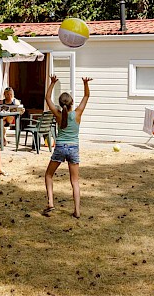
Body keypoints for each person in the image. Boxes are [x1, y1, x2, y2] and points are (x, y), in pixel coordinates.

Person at [42, 74, 92, 218]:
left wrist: (52, 83)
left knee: (48, 175)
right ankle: (77, 211)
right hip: (73, 148)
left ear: (60, 104)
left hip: (60, 147)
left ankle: (50, 203)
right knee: (74, 181)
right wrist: (85, 84)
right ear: (72, 103)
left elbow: (47, 98)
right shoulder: (77, 113)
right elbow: (86, 96)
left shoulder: (58, 114)